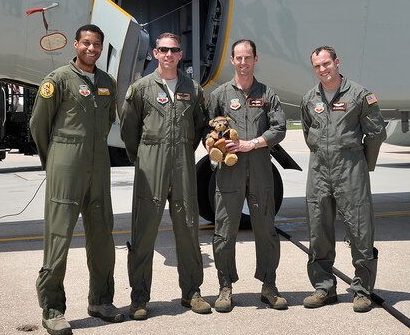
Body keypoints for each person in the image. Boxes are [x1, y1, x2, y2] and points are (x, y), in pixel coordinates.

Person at [29, 24, 123, 335]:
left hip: (99, 164)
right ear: (76, 44)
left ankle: (101, 301)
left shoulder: (108, 83)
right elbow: (38, 124)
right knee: (59, 238)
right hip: (66, 163)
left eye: (96, 44)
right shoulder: (57, 80)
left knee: (102, 236)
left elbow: (108, 120)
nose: (91, 49)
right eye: (86, 43)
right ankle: (53, 309)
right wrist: (54, 161)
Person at [120, 33, 210, 320]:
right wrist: (145, 156)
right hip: (151, 163)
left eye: (173, 50)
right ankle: (139, 297)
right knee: (144, 231)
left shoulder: (193, 89)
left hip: (182, 163)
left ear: (180, 53)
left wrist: (182, 150)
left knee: (188, 228)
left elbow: (198, 127)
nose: (168, 54)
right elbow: (128, 130)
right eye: (163, 49)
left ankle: (192, 292)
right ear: (155, 53)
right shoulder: (141, 88)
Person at [301, 46, 386, 313]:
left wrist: (363, 164)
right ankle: (324, 287)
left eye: (326, 63)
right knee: (319, 231)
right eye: (317, 66)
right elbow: (308, 132)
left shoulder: (360, 95)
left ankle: (362, 290)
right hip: (319, 171)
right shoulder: (309, 98)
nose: (322, 69)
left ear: (336, 62)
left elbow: (376, 132)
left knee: (360, 231)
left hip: (351, 170)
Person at [208, 39, 287, 312]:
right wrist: (216, 145)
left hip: (261, 171)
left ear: (256, 59)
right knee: (224, 232)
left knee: (266, 231)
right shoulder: (219, 95)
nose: (243, 63)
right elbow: (208, 130)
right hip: (229, 173)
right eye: (239, 58)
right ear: (232, 60)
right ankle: (225, 287)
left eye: (248, 58)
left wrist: (251, 143)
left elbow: (279, 128)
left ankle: (269, 286)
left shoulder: (267, 94)